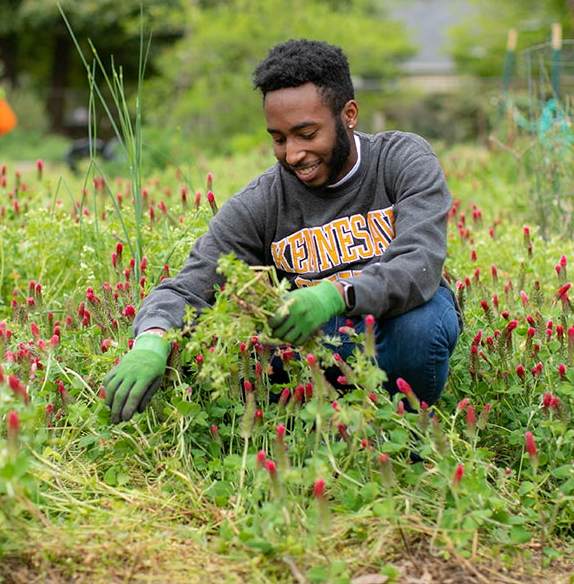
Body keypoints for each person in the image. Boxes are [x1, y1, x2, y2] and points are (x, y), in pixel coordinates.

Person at [103, 39, 462, 424]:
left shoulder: (401, 160)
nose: (293, 154)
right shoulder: (263, 201)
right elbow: (191, 286)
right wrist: (152, 340)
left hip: (394, 325)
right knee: (216, 349)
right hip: (316, 341)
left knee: (420, 327)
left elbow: (419, 260)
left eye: (307, 135)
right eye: (279, 138)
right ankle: (311, 424)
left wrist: (336, 293)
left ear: (349, 115)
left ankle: (403, 430)